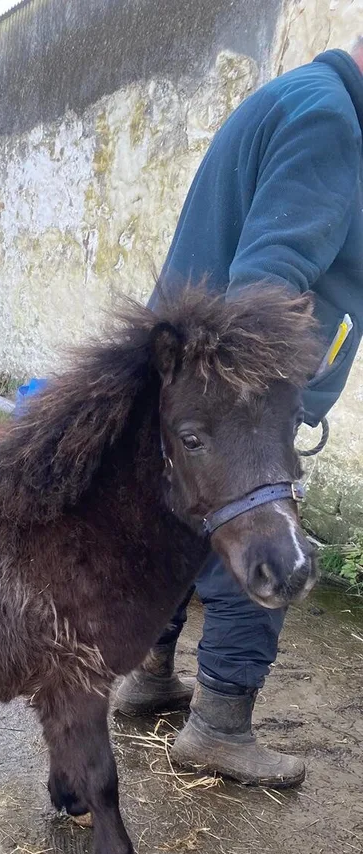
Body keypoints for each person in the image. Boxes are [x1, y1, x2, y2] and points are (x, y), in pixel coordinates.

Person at [113, 40, 363, 786]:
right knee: (262, 536)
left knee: (182, 522)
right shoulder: (331, 123)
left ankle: (151, 676)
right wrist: (268, 420)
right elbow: (269, 279)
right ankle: (220, 726)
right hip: (237, 393)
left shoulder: (289, 98)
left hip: (192, 378)